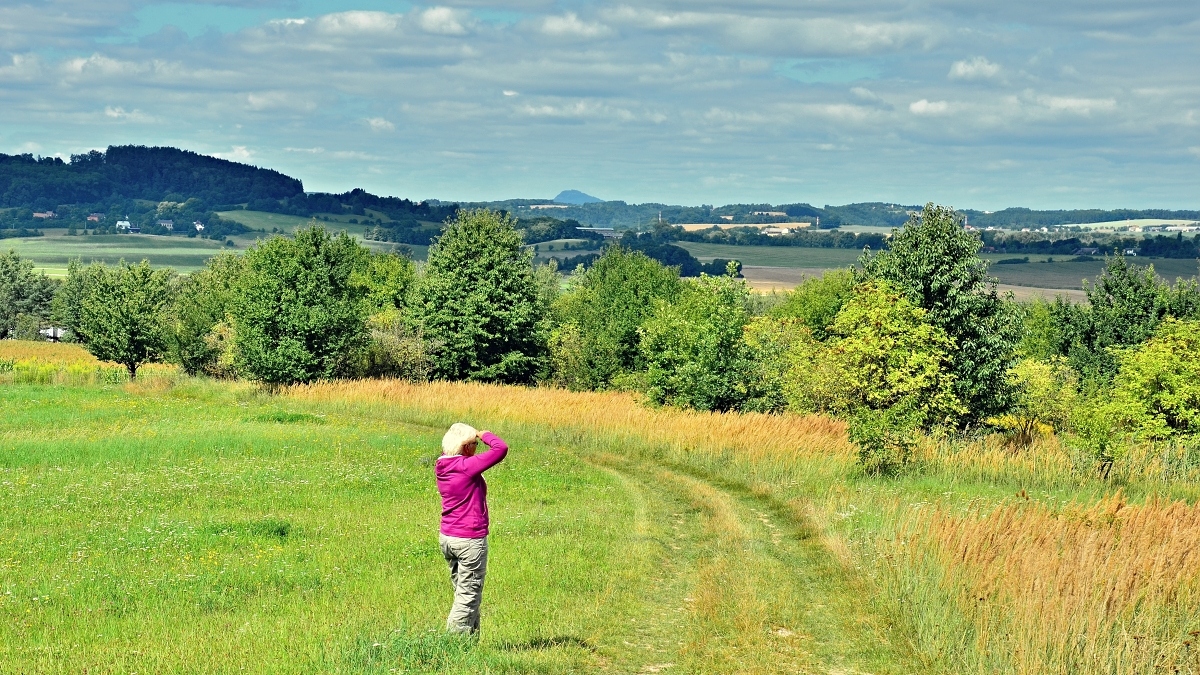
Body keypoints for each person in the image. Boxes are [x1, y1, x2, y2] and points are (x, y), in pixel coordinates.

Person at [435, 422, 508, 635]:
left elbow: (451, 448)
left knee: (464, 592)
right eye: (475, 444)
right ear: (466, 447)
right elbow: (500, 448)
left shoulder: (441, 464)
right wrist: (483, 433)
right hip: (468, 539)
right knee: (468, 597)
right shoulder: (466, 467)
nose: (477, 447)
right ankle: (454, 644)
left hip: (448, 537)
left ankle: (470, 644)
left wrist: (465, 435)